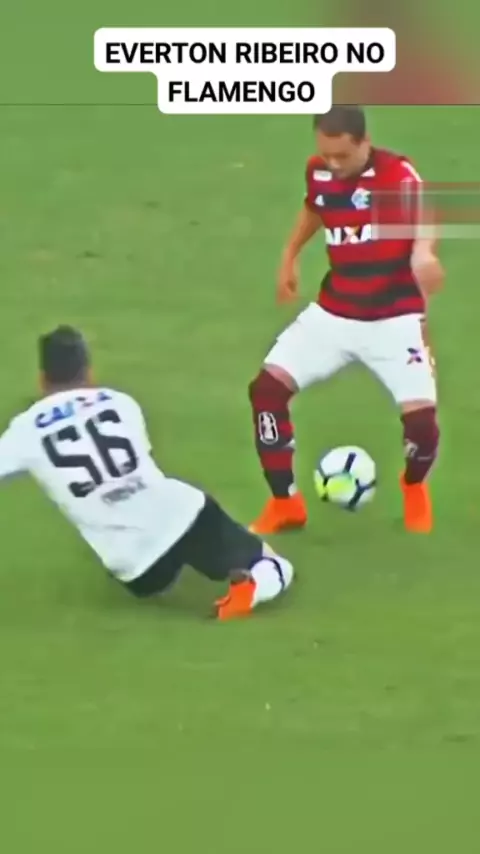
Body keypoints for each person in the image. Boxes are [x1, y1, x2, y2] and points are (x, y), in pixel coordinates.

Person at [0, 326, 293, 619]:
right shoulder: (120, 402)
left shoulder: (25, 429)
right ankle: (254, 586)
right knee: (275, 565)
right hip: (181, 514)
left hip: (136, 567)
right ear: (88, 372)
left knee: (141, 549)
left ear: (42, 379)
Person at [248, 106, 443, 536]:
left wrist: (423, 253)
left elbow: (423, 216)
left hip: (394, 319)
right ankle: (285, 503)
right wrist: (290, 254)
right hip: (333, 314)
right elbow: (315, 208)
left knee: (422, 428)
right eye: (326, 155)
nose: (333, 164)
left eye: (342, 156)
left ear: (364, 142)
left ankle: (413, 486)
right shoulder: (319, 172)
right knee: (266, 391)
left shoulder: (396, 175)